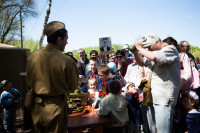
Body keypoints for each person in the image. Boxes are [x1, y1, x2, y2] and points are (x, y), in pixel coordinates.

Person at [26, 21, 79, 133]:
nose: (67, 42)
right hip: (56, 109)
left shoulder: (32, 57)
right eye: (66, 39)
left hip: (36, 108)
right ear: (59, 39)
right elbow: (73, 86)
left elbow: (28, 81)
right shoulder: (67, 61)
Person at [133, 33, 180, 133]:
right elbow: (142, 63)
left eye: (149, 46)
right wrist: (135, 52)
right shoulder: (155, 52)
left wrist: (140, 48)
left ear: (157, 41)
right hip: (156, 98)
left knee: (163, 131)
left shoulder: (170, 49)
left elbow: (154, 57)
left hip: (165, 99)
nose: (148, 49)